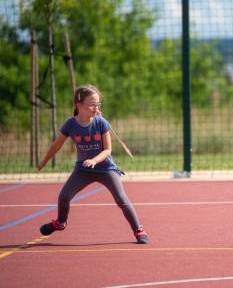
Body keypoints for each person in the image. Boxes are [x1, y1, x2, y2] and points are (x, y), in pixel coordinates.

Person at [36, 85, 149, 244]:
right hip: (83, 170)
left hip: (105, 168)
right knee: (64, 197)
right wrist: (43, 161)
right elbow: (56, 146)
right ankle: (61, 223)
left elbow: (108, 150)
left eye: (98, 104)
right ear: (79, 105)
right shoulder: (70, 125)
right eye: (92, 104)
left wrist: (95, 160)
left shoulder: (101, 123)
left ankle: (139, 230)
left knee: (121, 199)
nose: (96, 108)